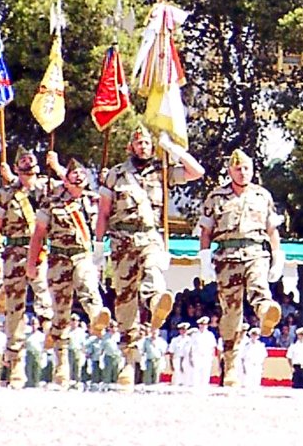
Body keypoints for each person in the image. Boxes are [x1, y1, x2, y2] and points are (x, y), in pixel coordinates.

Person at [96, 125, 204, 387]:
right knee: (125, 299)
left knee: (153, 269)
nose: (143, 147)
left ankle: (157, 303)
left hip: (150, 235)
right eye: (139, 143)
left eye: (147, 143)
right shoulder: (115, 175)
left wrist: (173, 149)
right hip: (121, 241)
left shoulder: (162, 170)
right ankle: (128, 358)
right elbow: (104, 212)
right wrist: (98, 246)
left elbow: (197, 172)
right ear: (130, 147)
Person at [197, 149, 283, 387]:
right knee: (231, 312)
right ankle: (230, 364)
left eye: (246, 168)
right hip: (227, 257)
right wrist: (204, 259)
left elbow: (272, 230)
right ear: (230, 171)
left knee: (259, 289)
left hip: (256, 252)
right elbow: (206, 231)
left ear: (252, 170)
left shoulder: (262, 195)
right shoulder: (216, 197)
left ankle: (266, 313)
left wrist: (277, 256)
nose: (242, 172)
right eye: (238, 169)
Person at [25, 158, 113, 388]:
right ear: (65, 179)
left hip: (82, 255)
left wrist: (107, 184)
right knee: (61, 311)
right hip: (58, 259)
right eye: (73, 173)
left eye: (82, 173)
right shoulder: (52, 202)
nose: (78, 176)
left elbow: (109, 216)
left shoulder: (94, 200)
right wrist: (32, 263)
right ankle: (61, 363)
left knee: (88, 286)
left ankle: (97, 317)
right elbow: (38, 234)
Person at [0, 148, 64, 388]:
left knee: (46, 301)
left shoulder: (47, 187)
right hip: (13, 253)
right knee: (15, 309)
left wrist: (57, 166)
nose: (27, 165)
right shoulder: (6, 194)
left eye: (31, 162)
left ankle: (57, 353)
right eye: (23, 162)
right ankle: (15, 363)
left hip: (40, 252)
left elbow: (74, 186)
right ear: (17, 168)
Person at [191, 316, 218, 388]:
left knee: (206, 372)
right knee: (196, 372)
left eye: (204, 324)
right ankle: (196, 387)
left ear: (207, 325)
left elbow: (213, 347)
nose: (203, 326)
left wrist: (212, 357)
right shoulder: (194, 335)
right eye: (201, 324)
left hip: (207, 356)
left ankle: (204, 387)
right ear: (199, 325)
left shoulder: (210, 335)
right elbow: (191, 347)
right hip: (197, 356)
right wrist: (192, 357)